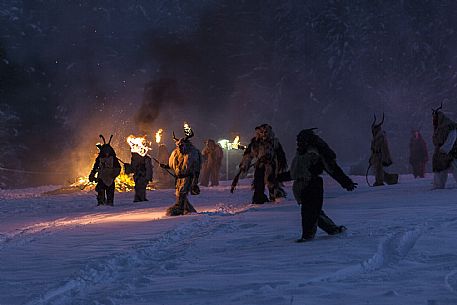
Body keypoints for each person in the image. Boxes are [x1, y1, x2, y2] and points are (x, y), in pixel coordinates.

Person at [279, 128, 357, 242]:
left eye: (301, 140)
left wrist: (346, 182)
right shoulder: (301, 154)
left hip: (312, 186)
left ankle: (307, 235)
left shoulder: (316, 154)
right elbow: (295, 173)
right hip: (302, 187)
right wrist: (278, 177)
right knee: (315, 212)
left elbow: (333, 169)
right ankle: (333, 230)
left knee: (309, 212)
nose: (298, 143)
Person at [238, 124, 288, 204]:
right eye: (262, 132)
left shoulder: (274, 142)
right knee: (258, 182)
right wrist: (244, 164)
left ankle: (274, 197)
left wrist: (280, 166)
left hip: (271, 165)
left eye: (266, 132)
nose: (264, 134)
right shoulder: (256, 143)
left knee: (271, 182)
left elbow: (280, 155)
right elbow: (249, 154)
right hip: (260, 165)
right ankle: (259, 198)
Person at [160, 129, 202, 216]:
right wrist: (165, 166)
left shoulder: (193, 154)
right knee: (179, 193)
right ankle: (189, 210)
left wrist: (195, 182)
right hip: (179, 178)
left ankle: (179, 209)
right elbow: (173, 165)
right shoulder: (176, 154)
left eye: (182, 145)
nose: (180, 147)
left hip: (188, 177)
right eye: (178, 145)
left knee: (182, 193)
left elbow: (196, 169)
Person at [89, 134, 121, 206]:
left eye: (108, 151)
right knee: (101, 196)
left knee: (110, 198)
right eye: (105, 151)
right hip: (101, 179)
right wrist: (92, 174)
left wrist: (113, 175)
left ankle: (109, 208)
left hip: (110, 179)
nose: (106, 153)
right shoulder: (99, 159)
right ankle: (101, 205)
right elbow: (95, 167)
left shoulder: (114, 159)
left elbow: (118, 168)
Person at [432, 103, 457, 188]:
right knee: (439, 168)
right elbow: (435, 140)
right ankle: (438, 185)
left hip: (452, 151)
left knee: (455, 166)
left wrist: (445, 148)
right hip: (440, 152)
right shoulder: (438, 128)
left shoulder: (450, 126)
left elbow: (452, 138)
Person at [369, 114, 398, 186]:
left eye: (374, 129)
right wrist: (371, 158)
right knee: (377, 169)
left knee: (379, 169)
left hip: (380, 156)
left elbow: (385, 148)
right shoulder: (375, 138)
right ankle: (387, 179)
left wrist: (385, 158)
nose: (373, 131)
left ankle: (379, 181)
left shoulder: (381, 137)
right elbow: (373, 149)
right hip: (375, 156)